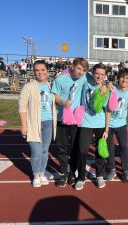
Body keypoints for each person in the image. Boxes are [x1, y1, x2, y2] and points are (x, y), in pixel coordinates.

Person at [51, 57, 89, 187]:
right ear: (72, 66)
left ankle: (72, 173)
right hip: (62, 118)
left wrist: (108, 84)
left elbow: (98, 80)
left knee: (74, 148)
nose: (81, 72)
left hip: (75, 120)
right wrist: (63, 102)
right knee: (62, 147)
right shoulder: (61, 79)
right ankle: (63, 173)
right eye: (79, 68)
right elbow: (54, 95)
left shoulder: (85, 78)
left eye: (84, 70)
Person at [72, 63, 110, 190]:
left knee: (100, 151)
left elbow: (108, 111)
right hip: (85, 122)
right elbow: (76, 69)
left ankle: (99, 175)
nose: (99, 76)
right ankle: (81, 177)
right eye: (97, 73)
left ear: (106, 76)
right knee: (82, 150)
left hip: (100, 123)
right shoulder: (86, 79)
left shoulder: (106, 90)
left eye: (102, 74)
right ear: (92, 73)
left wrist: (107, 129)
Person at [19, 60, 57, 187]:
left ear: (47, 71)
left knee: (45, 150)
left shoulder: (52, 86)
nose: (40, 72)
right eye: (37, 70)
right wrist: (24, 125)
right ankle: (36, 175)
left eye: (43, 70)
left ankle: (41, 173)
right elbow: (22, 107)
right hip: (34, 123)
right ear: (34, 72)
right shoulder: (29, 87)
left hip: (48, 122)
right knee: (36, 151)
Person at [105, 68, 128, 183]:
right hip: (109, 124)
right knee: (110, 148)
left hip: (121, 124)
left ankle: (125, 170)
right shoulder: (112, 89)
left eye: (127, 78)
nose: (124, 80)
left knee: (124, 147)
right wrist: (108, 84)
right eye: (122, 77)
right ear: (118, 78)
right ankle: (112, 168)